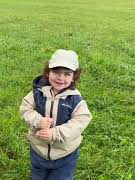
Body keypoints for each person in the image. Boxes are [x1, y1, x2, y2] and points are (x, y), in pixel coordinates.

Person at [19, 49, 92, 180]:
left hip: (64, 155)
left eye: (67, 74)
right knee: (37, 176)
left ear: (74, 76)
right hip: (38, 150)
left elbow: (80, 121)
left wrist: (55, 133)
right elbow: (25, 109)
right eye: (56, 72)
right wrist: (37, 121)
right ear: (48, 73)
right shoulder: (38, 93)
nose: (60, 78)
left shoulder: (75, 100)